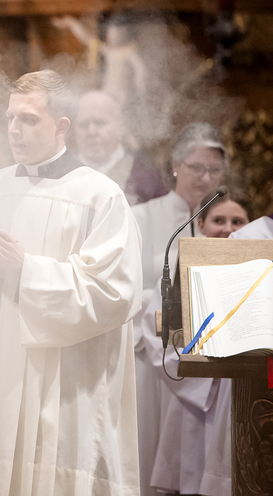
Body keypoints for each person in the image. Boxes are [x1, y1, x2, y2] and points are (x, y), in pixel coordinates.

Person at [0, 69, 143, 496]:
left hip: (69, 386)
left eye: (29, 119)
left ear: (61, 125)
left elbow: (113, 294)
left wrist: (25, 271)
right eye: (11, 118)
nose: (15, 129)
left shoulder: (100, 195)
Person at [131, 123, 227, 496]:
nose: (206, 178)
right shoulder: (141, 217)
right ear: (175, 166)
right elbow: (123, 284)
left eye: (214, 170)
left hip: (200, 359)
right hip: (147, 354)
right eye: (196, 167)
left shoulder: (223, 224)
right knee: (147, 450)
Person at [137, 188, 251, 496]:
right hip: (192, 398)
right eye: (218, 220)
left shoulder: (260, 270)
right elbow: (158, 334)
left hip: (242, 394)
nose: (227, 229)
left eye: (238, 221)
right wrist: (205, 379)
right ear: (200, 225)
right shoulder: (180, 267)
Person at [73, 89, 167, 204]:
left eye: (100, 122)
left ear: (121, 126)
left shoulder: (147, 179)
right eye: (83, 124)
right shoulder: (61, 175)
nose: (91, 132)